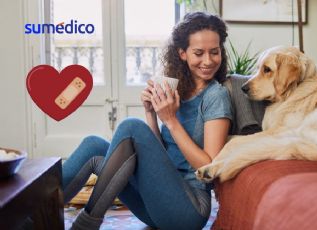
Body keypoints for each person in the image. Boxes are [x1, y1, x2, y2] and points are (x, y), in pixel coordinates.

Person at [62, 12, 232, 230]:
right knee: (94, 145)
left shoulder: (216, 96)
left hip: (188, 209)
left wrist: (170, 120)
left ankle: (86, 223)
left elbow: (209, 168)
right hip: (157, 201)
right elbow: (162, 155)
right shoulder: (178, 89)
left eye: (214, 52)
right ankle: (33, 211)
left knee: (131, 127)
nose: (208, 61)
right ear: (182, 53)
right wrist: (151, 113)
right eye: (199, 53)